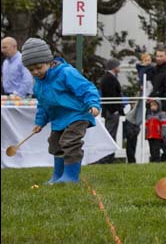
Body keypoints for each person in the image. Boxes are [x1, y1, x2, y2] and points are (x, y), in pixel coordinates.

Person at [22, 38, 101, 184]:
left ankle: (71, 177)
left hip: (77, 114)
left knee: (69, 142)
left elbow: (86, 88)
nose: (35, 72)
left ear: (49, 61)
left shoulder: (66, 73)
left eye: (39, 67)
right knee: (55, 143)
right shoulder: (39, 83)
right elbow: (43, 104)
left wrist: (93, 104)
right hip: (59, 119)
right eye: (31, 70)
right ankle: (58, 175)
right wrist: (40, 122)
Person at [150, 46, 166, 162]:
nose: (158, 58)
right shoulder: (155, 70)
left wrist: (162, 105)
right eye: (157, 56)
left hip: (162, 107)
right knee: (154, 133)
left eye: (161, 56)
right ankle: (159, 157)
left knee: (161, 134)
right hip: (154, 105)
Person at [99, 58, 124, 141]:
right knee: (111, 133)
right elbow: (111, 94)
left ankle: (109, 153)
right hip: (111, 111)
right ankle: (109, 153)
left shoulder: (108, 78)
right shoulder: (109, 79)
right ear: (114, 67)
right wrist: (115, 110)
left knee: (111, 132)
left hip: (109, 110)